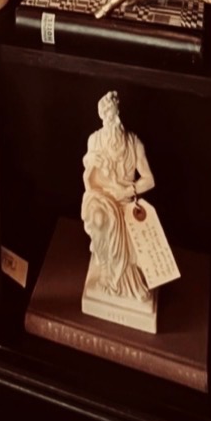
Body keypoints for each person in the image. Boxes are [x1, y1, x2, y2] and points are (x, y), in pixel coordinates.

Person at [81, 90, 156, 305]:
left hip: (125, 199)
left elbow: (149, 180)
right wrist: (92, 164)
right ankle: (106, 275)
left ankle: (128, 282)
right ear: (103, 117)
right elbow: (88, 176)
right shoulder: (94, 141)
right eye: (112, 117)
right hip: (100, 198)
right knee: (99, 219)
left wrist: (128, 190)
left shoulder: (134, 144)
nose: (117, 121)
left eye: (118, 115)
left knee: (134, 230)